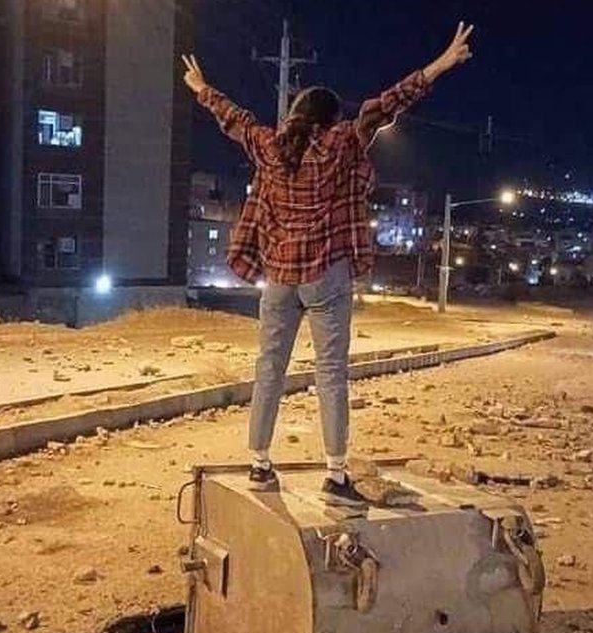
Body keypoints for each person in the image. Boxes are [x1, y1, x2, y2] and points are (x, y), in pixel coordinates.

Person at [182, 23, 475, 503]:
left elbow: (233, 118)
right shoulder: (339, 145)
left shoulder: (269, 146)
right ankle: (336, 475)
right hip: (325, 276)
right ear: (328, 120)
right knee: (330, 372)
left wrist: (201, 89)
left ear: (297, 116)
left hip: (278, 279)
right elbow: (386, 104)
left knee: (269, 369)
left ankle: (259, 465)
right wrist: (440, 64)